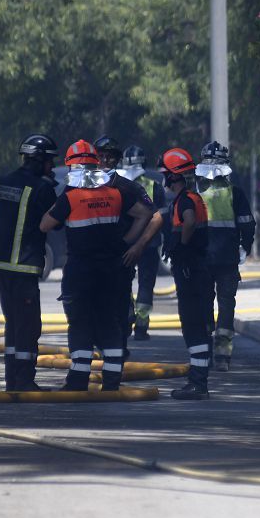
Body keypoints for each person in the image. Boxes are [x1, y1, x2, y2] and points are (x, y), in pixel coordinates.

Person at [40, 140, 154, 392]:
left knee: (80, 324)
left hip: (81, 272)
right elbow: (145, 214)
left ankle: (78, 382)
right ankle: (112, 381)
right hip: (110, 271)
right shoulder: (115, 194)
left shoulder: (71, 197)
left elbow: (44, 225)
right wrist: (126, 242)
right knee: (110, 323)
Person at [0, 134, 59, 392]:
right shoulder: (42, 188)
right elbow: (56, 220)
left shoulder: (2, 182)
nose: (52, 167)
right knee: (28, 327)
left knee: (13, 325)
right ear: (39, 161)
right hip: (24, 265)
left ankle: (11, 380)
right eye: (49, 161)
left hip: (2, 266)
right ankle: (25, 381)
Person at [94, 136, 161, 356]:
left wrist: (132, 243)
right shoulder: (83, 185)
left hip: (126, 250)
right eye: (100, 156)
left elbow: (152, 214)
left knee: (124, 306)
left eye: (109, 156)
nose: (104, 160)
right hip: (96, 255)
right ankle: (105, 344)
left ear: (118, 160)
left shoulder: (128, 187)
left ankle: (118, 346)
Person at [158, 147, 214, 400]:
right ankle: (198, 379)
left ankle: (198, 383)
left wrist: (181, 246)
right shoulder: (194, 197)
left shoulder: (186, 201)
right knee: (198, 325)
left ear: (173, 177)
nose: (163, 180)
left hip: (191, 270)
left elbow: (189, 222)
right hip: (199, 268)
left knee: (192, 325)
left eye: (165, 175)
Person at [196, 140, 256, 372]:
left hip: (202, 260)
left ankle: (204, 350)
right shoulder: (235, 194)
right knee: (226, 304)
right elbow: (248, 226)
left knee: (203, 302)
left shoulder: (196, 193)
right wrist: (245, 248)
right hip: (228, 260)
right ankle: (222, 354)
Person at [116, 144, 165, 341]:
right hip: (150, 244)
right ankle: (142, 327)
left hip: (126, 242)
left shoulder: (118, 185)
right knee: (146, 284)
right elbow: (163, 216)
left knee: (123, 281)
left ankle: (127, 316)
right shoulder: (155, 185)